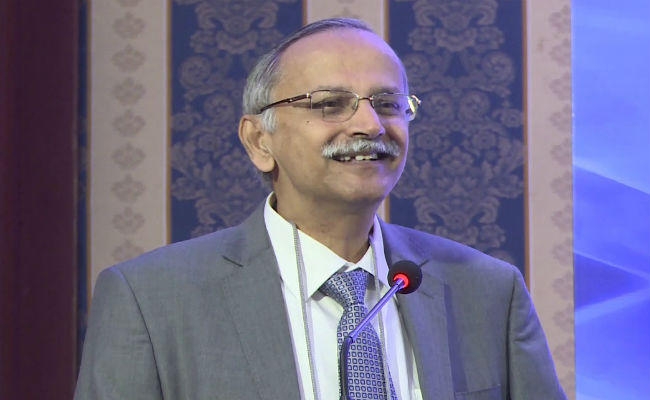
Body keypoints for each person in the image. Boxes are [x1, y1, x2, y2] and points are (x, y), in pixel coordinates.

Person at [74, 18, 567, 400]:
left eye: (388, 103)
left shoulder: (488, 292)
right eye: (330, 104)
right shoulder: (151, 300)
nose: (370, 125)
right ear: (259, 141)